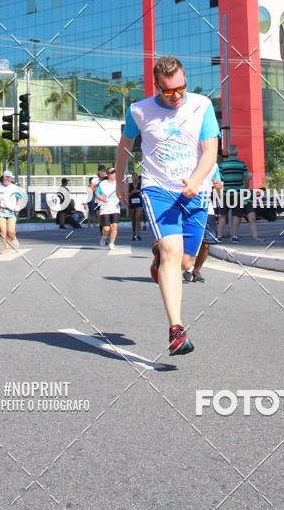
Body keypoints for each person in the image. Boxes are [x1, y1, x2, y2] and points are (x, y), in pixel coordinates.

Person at [116, 55, 219, 356]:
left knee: (186, 263)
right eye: (169, 91)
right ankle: (176, 330)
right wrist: (121, 180)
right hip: (158, 189)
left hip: (194, 191)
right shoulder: (139, 110)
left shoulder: (202, 106)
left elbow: (210, 151)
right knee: (172, 252)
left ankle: (158, 259)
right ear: (157, 86)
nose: (177, 96)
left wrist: (197, 180)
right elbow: (125, 145)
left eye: (181, 89)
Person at [184, 165, 222, 283]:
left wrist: (219, 188)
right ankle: (184, 266)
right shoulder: (187, 158)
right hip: (185, 202)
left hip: (205, 202)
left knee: (206, 243)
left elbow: (219, 193)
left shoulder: (213, 165)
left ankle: (195, 270)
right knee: (181, 239)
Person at [217, 146, 261, 243]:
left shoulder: (223, 165)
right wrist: (245, 189)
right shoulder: (242, 165)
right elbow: (246, 178)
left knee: (223, 215)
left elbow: (219, 179)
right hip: (238, 194)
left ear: (228, 153)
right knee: (236, 216)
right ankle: (233, 237)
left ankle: (219, 235)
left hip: (226, 194)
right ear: (237, 153)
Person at [0, 170, 24, 253]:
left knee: (11, 231)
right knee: (2, 231)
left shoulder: (14, 188)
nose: (7, 179)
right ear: (3, 177)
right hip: (1, 211)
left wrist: (17, 205)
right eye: (6, 177)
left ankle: (13, 238)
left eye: (9, 178)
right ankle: (6, 247)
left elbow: (20, 198)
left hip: (11, 211)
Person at [95, 167, 120, 249]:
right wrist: (103, 199)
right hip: (105, 208)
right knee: (106, 228)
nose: (114, 174)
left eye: (114, 172)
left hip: (115, 208)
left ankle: (111, 244)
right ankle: (104, 237)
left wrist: (121, 199)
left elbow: (121, 194)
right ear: (108, 174)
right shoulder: (103, 184)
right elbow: (97, 194)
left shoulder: (118, 184)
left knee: (114, 226)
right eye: (112, 172)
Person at [128, 172, 142, 240]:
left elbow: (143, 193)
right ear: (132, 178)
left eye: (136, 176)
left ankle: (139, 234)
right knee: (133, 220)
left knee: (138, 218)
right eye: (134, 176)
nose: (135, 177)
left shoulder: (140, 185)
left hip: (139, 203)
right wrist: (132, 193)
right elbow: (127, 195)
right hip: (132, 203)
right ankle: (134, 234)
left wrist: (140, 194)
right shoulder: (129, 185)